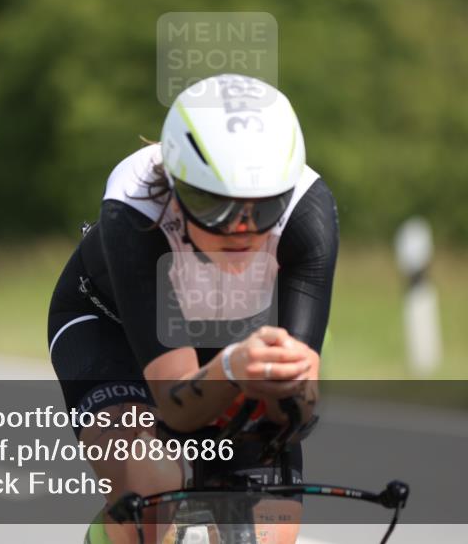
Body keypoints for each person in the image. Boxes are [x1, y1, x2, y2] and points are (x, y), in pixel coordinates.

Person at [47, 74, 338, 544]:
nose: (240, 229)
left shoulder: (309, 214)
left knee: (269, 532)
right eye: (214, 205)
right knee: (151, 490)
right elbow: (177, 407)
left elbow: (295, 408)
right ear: (179, 189)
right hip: (113, 328)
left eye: (263, 208)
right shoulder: (135, 207)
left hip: (232, 339)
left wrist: (290, 395)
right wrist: (232, 368)